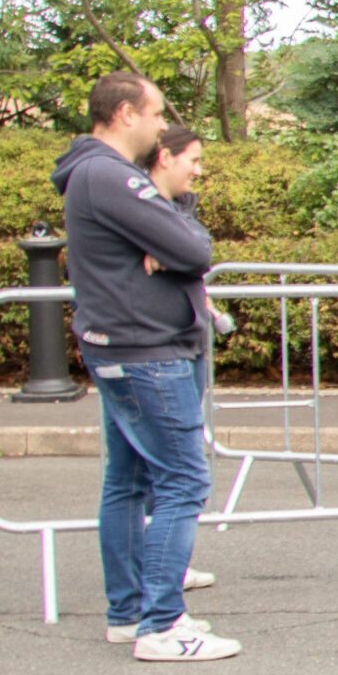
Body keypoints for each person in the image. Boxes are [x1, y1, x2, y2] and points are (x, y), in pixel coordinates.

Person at [53, 74, 231, 660]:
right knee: (183, 480)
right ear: (126, 113)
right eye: (157, 115)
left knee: (128, 481)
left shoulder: (96, 175)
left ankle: (129, 614)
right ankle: (162, 625)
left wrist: (173, 232)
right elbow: (197, 252)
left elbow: (182, 243)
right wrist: (174, 240)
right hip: (145, 351)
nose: (162, 127)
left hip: (121, 348)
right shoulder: (110, 175)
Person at [144, 126, 220, 593]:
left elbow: (198, 252)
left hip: (185, 341)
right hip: (157, 350)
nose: (198, 169)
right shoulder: (136, 204)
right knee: (179, 474)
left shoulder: (181, 208)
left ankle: (166, 569)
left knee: (171, 473)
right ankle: (159, 596)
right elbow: (191, 252)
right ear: (164, 157)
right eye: (191, 159)